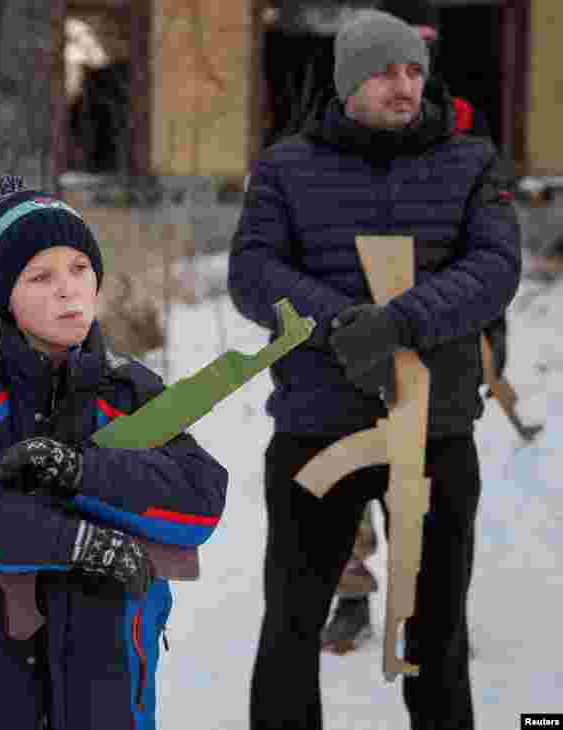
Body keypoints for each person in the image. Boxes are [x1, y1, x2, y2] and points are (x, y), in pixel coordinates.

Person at [228, 10, 520, 730]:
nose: (405, 84)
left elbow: (494, 267)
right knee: (292, 626)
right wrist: (338, 324)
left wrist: (399, 322)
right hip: (317, 426)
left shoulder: (472, 161)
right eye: (387, 71)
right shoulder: (285, 168)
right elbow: (252, 271)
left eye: (414, 71)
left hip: (435, 430)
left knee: (438, 636)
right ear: (349, 81)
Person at [0, 174, 228, 730]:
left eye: (79, 269)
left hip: (110, 678)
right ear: (5, 295)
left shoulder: (132, 391)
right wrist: (78, 542)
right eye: (40, 276)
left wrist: (82, 471)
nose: (68, 289)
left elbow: (200, 500)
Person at [316, 0, 506, 652]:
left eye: (419, 53)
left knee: (426, 485)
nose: (402, 76)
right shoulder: (331, 122)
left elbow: (488, 251)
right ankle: (351, 595)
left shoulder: (464, 130)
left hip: (439, 335)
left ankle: (433, 613)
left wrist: (489, 346)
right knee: (347, 471)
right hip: (352, 335)